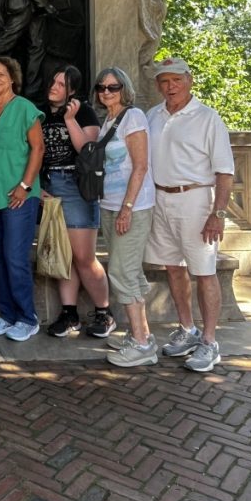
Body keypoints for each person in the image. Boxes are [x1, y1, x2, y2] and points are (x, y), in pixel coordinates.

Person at [144, 57, 235, 372]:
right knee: (173, 268)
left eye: (176, 80)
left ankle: (210, 342)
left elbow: (225, 172)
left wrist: (217, 213)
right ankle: (187, 330)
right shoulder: (151, 116)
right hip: (159, 199)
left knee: (204, 271)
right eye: (164, 81)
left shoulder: (208, 118)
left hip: (195, 200)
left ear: (189, 80)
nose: (170, 87)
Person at [91, 67, 158, 368]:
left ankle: (142, 346)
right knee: (129, 271)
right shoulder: (107, 121)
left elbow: (141, 166)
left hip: (132, 207)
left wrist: (127, 207)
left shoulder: (134, 117)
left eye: (113, 87)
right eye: (101, 87)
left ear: (124, 89)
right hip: (110, 204)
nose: (106, 92)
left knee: (121, 271)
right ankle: (140, 333)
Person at [41, 67, 114, 338]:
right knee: (64, 254)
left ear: (72, 90)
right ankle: (69, 314)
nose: (55, 86)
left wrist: (70, 119)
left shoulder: (83, 112)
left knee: (84, 257)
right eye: (53, 81)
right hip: (50, 185)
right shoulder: (42, 114)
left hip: (76, 185)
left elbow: (88, 149)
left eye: (62, 84)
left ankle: (104, 313)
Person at [0, 56, 45, 342]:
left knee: (15, 258)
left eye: (1, 75)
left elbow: (38, 148)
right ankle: (7, 315)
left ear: (12, 78)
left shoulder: (25, 108)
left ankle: (27, 317)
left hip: (18, 197)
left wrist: (25, 185)